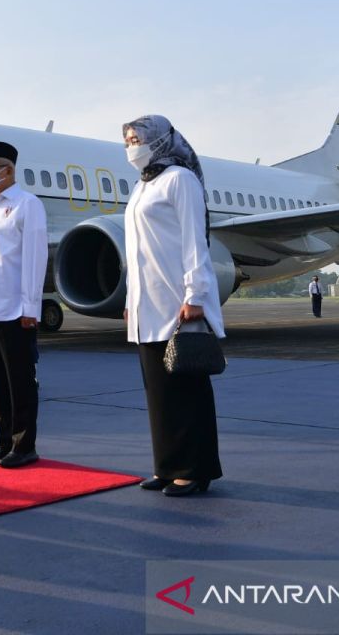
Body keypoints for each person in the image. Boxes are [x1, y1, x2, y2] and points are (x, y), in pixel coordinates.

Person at [123, 115, 224, 497]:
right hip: (147, 303)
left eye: (138, 138)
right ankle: (167, 465)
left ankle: (195, 468)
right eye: (128, 140)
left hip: (176, 300)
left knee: (186, 388)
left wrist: (195, 295)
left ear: (160, 140)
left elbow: (194, 241)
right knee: (159, 392)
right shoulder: (142, 186)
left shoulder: (180, 180)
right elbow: (136, 252)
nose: (132, 146)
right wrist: (131, 300)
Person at [0, 141, 47, 469]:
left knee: (20, 379)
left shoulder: (26, 205)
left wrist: (31, 307)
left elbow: (34, 258)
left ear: (8, 171)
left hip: (16, 309)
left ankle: (24, 444)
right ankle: (4, 442)